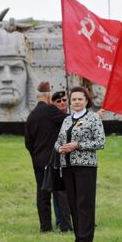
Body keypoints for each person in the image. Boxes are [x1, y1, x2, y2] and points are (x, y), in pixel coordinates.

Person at [55, 86, 105, 242]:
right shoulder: (67, 119)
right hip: (67, 166)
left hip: (85, 166)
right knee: (73, 203)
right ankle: (78, 238)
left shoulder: (93, 118)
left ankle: (86, 240)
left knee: (85, 203)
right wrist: (59, 148)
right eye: (74, 99)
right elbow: (58, 141)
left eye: (80, 99)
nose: (76, 102)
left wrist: (78, 145)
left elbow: (100, 142)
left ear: (86, 100)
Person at [25, 82, 72, 233]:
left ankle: (45, 227)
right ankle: (65, 226)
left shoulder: (31, 116)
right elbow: (68, 121)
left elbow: (28, 142)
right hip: (53, 159)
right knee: (59, 192)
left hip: (38, 160)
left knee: (42, 194)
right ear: (47, 96)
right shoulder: (51, 110)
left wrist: (36, 155)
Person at [50, 90, 71, 230]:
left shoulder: (70, 116)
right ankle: (60, 220)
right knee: (58, 191)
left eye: (64, 100)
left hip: (70, 157)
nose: (62, 103)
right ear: (53, 104)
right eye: (59, 101)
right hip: (56, 157)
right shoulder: (54, 116)